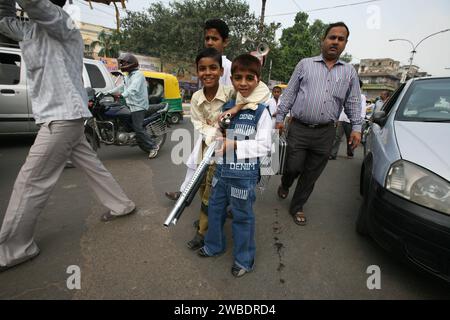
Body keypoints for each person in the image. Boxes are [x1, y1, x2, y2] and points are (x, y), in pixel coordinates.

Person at [0, 0, 136, 271]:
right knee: (93, 167)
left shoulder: (60, 21)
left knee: (31, 181)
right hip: (60, 116)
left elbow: (33, 3)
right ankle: (122, 205)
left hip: (62, 116)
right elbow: (4, 20)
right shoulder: (29, 30)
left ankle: (13, 249)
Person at [275, 22, 362, 226]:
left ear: (345, 44)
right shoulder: (305, 64)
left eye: (341, 39)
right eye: (332, 37)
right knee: (292, 167)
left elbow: (353, 102)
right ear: (323, 40)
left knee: (311, 174)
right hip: (298, 128)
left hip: (325, 133)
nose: (335, 42)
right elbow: (290, 93)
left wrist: (357, 128)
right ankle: (286, 182)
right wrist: (279, 118)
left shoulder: (349, 72)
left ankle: (297, 206)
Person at [197, 54, 272, 278]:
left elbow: (265, 146)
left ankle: (244, 260)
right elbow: (218, 135)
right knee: (215, 210)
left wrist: (235, 144)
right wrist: (219, 133)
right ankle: (213, 246)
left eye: (250, 78)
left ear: (257, 80)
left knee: (242, 217)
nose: (243, 83)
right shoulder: (230, 107)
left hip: (244, 177)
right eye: (238, 78)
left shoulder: (261, 111)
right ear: (232, 79)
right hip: (221, 172)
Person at [165, 18, 232, 201]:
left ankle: (220, 206)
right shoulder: (204, 62)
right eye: (207, 38)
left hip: (225, 129)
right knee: (196, 161)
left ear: (225, 42)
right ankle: (186, 193)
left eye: (215, 38)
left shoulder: (230, 68)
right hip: (208, 127)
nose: (210, 42)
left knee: (219, 169)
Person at [110, 53, 159, 159]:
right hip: (130, 105)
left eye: (123, 63)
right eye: (121, 63)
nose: (121, 65)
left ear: (130, 64)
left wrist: (122, 95)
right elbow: (121, 87)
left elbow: (133, 89)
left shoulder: (138, 75)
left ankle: (153, 147)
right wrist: (107, 93)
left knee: (138, 128)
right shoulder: (128, 76)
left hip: (138, 106)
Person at [329, 79, 366, 159]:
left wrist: (360, 121)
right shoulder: (345, 93)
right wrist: (336, 118)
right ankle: (332, 154)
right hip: (341, 119)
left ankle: (350, 153)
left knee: (350, 138)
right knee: (337, 137)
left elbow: (362, 109)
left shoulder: (361, 96)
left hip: (351, 121)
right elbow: (339, 107)